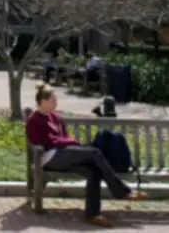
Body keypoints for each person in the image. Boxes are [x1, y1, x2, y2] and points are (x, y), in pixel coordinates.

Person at [25, 82, 147, 227]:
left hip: (63, 154)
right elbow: (46, 143)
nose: (56, 102)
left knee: (93, 170)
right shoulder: (34, 119)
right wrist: (71, 143)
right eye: (53, 100)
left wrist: (71, 143)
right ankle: (121, 191)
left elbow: (63, 138)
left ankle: (92, 214)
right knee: (94, 152)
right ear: (44, 101)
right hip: (48, 157)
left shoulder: (55, 118)